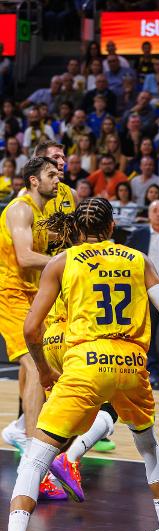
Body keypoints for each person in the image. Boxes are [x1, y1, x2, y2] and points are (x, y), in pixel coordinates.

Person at [0, 197, 159, 531]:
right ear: (112, 225)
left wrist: (47, 369)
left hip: (85, 363)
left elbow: (31, 330)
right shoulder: (137, 259)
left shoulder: (63, 261)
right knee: (149, 447)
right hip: (131, 366)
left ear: (76, 229)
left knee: (35, 459)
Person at [0, 158, 59, 448]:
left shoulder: (41, 211)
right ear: (33, 180)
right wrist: (68, 263)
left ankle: (30, 429)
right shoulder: (21, 209)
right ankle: (33, 452)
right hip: (9, 293)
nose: (57, 179)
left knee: (50, 360)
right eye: (51, 174)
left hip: (31, 294)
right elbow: (24, 257)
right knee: (37, 365)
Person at [127, 200, 159, 387]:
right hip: (146, 289)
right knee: (148, 333)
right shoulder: (139, 234)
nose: (158, 214)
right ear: (149, 214)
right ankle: (152, 370)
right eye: (155, 211)